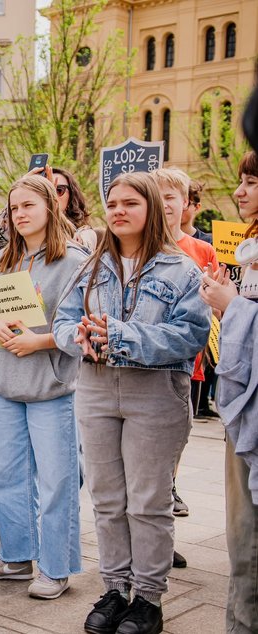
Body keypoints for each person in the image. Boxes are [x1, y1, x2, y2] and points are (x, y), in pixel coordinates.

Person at [53, 172, 210, 634]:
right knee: (106, 498)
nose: (119, 210)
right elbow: (64, 321)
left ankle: (148, 598)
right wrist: (76, 338)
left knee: (147, 502)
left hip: (155, 392)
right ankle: (115, 588)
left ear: (153, 210)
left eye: (131, 203)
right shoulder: (92, 266)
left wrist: (121, 335)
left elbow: (190, 336)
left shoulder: (181, 269)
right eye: (113, 202)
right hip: (97, 388)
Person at [0, 175, 86, 599]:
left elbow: (82, 324)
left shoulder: (74, 260)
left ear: (50, 208)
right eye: (14, 208)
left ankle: (56, 567)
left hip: (52, 385)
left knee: (57, 480)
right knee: (4, 476)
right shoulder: (0, 260)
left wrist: (41, 340)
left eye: (28, 207)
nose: (19, 215)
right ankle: (17, 557)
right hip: (5, 383)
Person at [199, 149, 258, 634]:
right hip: (244, 406)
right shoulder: (250, 249)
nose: (239, 192)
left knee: (249, 532)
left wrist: (234, 306)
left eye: (251, 183)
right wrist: (227, 306)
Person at [152, 167, 219, 529]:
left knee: (176, 445)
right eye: (156, 196)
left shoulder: (202, 250)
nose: (163, 205)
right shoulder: (139, 245)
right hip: (148, 367)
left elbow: (215, 308)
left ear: (185, 204)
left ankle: (165, 526)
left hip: (189, 367)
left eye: (170, 197)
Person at [52, 167, 97, 251]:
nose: (52, 195)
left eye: (58, 190)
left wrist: (53, 211)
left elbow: (79, 251)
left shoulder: (85, 233)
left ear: (71, 197)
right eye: (46, 190)